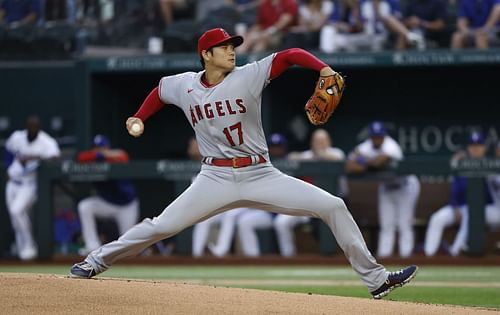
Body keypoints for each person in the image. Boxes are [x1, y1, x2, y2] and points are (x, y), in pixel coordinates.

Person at [70, 27, 417, 300]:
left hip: (260, 172)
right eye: (223, 47)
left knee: (333, 205)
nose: (231, 50)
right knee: (161, 227)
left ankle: (376, 280)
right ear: (206, 54)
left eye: (232, 45)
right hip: (214, 176)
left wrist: (323, 68)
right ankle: (94, 261)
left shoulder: (249, 74)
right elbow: (160, 91)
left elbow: (291, 54)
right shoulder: (185, 85)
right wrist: (139, 116)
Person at [345, 121, 421, 258]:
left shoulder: (391, 146)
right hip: (387, 187)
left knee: (404, 224)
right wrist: (368, 163)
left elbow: (380, 161)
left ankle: (406, 257)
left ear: (384, 136)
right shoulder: (366, 146)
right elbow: (349, 165)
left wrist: (362, 161)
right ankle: (385, 259)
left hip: (406, 186)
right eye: (374, 136)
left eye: (379, 136)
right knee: (386, 225)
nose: (377, 139)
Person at [423, 131, 498, 256]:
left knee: (473, 212)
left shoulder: (489, 165)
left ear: (484, 148)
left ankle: (455, 252)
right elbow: (455, 188)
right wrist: (455, 206)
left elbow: (490, 195)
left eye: (478, 146)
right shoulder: (461, 164)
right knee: (437, 219)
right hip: (458, 207)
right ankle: (428, 256)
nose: (475, 149)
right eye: (473, 146)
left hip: (480, 209)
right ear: (468, 148)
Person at [275, 128, 346, 257]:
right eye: (316, 141)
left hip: (331, 204)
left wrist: (319, 155)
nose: (319, 144)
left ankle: (333, 257)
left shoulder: (336, 152)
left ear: (329, 142)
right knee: (281, 222)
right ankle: (288, 257)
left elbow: (337, 159)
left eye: (322, 141)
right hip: (305, 205)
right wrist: (309, 156)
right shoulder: (309, 154)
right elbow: (291, 157)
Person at [4, 115, 60, 260]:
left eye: (35, 126)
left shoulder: (46, 142)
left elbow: (55, 157)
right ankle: (22, 249)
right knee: (15, 218)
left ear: (39, 128)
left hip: (29, 184)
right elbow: (7, 150)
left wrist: (36, 157)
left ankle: (29, 246)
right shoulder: (17, 137)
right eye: (30, 126)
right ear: (27, 126)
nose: (32, 129)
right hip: (13, 182)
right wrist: (7, 168)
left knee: (17, 211)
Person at [76, 134, 140, 256]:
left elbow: (123, 156)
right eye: (96, 148)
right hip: (106, 203)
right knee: (85, 206)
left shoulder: (117, 156)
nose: (99, 150)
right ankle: (92, 246)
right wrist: (99, 155)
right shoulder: (93, 159)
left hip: (126, 205)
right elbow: (81, 157)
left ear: (108, 147)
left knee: (129, 247)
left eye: (102, 147)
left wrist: (104, 155)